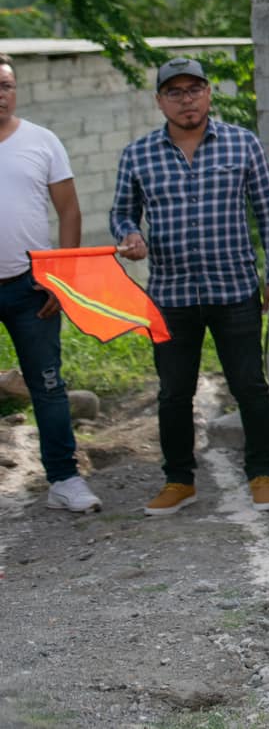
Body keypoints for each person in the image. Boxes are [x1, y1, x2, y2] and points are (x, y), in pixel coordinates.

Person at [111, 58, 269, 517]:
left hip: (233, 290)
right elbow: (122, 213)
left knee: (250, 385)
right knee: (173, 391)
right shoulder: (138, 154)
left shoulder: (242, 143)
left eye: (194, 89)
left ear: (209, 94)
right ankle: (178, 480)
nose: (186, 99)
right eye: (175, 92)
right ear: (160, 101)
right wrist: (130, 235)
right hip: (170, 295)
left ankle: (262, 473)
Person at [0, 53, 101, 513]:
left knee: (48, 385)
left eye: (6, 85)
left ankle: (63, 479)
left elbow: (70, 212)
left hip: (30, 289)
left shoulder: (42, 141)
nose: (1, 94)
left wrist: (62, 281)